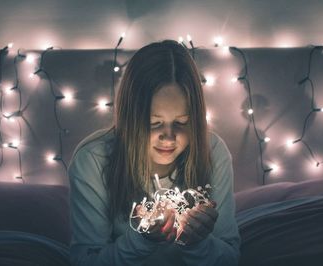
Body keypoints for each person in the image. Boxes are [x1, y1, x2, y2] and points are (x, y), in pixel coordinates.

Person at [68, 40, 241, 266]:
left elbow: (230, 258)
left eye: (182, 122)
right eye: (153, 123)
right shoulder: (93, 160)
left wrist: (198, 242)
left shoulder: (212, 151)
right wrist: (141, 239)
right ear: (130, 119)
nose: (169, 137)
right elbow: (86, 261)